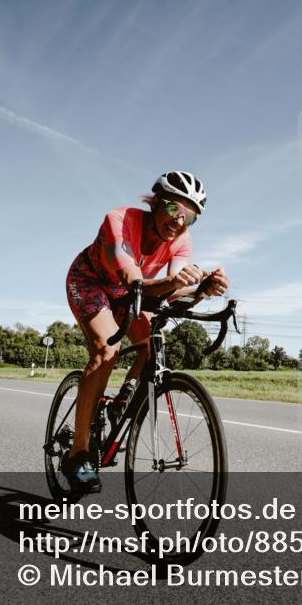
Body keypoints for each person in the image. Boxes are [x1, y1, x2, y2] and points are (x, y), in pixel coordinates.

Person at [63, 171, 229, 493]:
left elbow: (171, 288)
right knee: (107, 349)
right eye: (172, 210)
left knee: (155, 343)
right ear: (155, 203)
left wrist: (203, 289)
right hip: (92, 281)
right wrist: (176, 284)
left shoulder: (181, 241)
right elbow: (132, 276)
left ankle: (121, 401)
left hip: (132, 293)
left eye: (189, 218)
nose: (179, 222)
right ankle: (78, 453)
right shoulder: (121, 219)